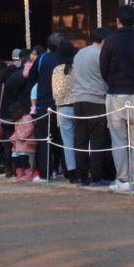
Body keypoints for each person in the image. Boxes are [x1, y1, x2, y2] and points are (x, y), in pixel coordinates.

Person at [100, 4, 134, 192]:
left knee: (119, 138)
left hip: (116, 94)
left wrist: (112, 82)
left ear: (118, 21)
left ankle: (122, 179)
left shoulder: (111, 42)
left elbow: (103, 68)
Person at [72, 27, 112, 185]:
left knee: (81, 139)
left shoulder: (80, 53)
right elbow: (106, 76)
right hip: (96, 100)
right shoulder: (101, 54)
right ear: (104, 40)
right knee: (97, 140)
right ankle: (96, 176)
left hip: (78, 100)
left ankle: (82, 175)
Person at [32, 34, 63, 181]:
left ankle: (46, 172)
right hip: (62, 103)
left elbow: (32, 76)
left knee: (44, 139)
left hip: (44, 103)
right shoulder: (64, 58)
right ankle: (66, 171)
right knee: (63, 139)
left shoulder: (42, 58)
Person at [51, 40, 79, 181]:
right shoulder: (77, 68)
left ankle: (72, 172)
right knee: (80, 140)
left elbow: (55, 93)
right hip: (78, 107)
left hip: (63, 108)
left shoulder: (57, 70)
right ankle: (83, 169)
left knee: (67, 142)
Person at [7, 101, 36, 181]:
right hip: (17, 145)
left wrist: (20, 136)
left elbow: (28, 129)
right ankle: (20, 174)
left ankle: (28, 175)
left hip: (25, 144)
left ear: (19, 110)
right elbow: (16, 132)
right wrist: (12, 137)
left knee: (24, 160)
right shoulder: (18, 120)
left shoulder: (27, 118)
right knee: (15, 159)